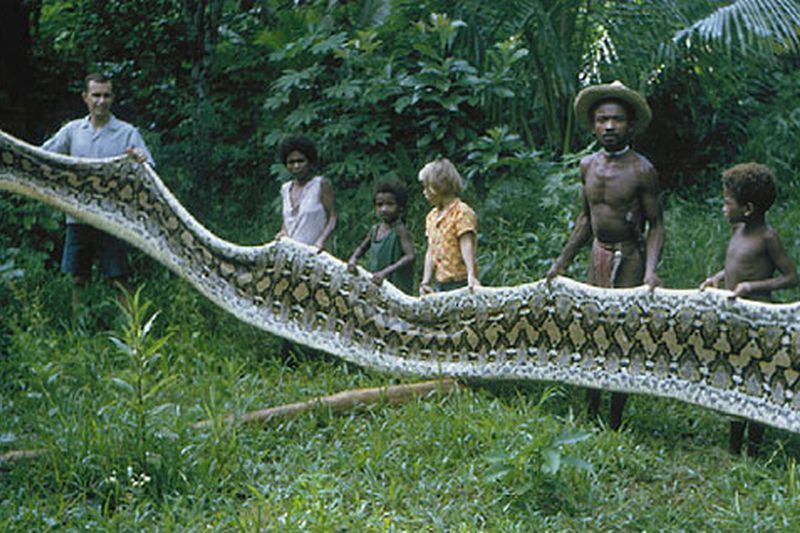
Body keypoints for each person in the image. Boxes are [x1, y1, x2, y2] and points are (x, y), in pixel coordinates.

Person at [546, 80, 665, 430]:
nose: (609, 126)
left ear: (630, 125)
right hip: (598, 255)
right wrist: (562, 261)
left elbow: (656, 225)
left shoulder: (642, 170)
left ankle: (615, 419)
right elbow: (586, 220)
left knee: (621, 334)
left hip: (629, 257)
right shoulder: (587, 166)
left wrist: (650, 271)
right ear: (593, 125)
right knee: (592, 330)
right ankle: (591, 410)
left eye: (617, 119)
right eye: (602, 119)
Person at [699, 162, 798, 456]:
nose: (723, 208)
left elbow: (791, 277)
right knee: (736, 378)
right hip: (737, 318)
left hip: (759, 318)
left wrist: (751, 287)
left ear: (748, 208)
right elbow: (734, 264)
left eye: (728, 203)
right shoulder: (738, 229)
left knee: (757, 379)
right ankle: (733, 447)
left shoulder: (767, 237)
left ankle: (753, 449)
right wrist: (717, 278)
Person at [42, 72, 154, 309]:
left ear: (113, 98)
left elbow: (149, 171)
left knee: (118, 279)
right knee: (77, 279)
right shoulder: (72, 131)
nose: (101, 101)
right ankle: (80, 328)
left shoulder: (127, 133)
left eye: (106, 95)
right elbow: (42, 156)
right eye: (96, 95)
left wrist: (139, 160)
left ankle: (131, 328)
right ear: (85, 97)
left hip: (112, 217)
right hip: (78, 217)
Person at [418, 158, 479, 295]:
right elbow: (431, 251)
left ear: (438, 187)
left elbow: (466, 244)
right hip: (441, 281)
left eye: (427, 188)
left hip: (460, 280)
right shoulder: (432, 217)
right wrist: (425, 281)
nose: (424, 192)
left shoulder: (461, 212)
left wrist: (471, 274)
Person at [347, 180, 415, 294]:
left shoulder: (399, 230)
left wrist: (385, 272)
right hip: (377, 283)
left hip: (396, 287)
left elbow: (410, 256)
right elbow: (362, 248)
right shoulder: (375, 230)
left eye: (390, 204)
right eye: (380, 205)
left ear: (400, 207)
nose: (384, 209)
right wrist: (353, 259)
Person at [275, 136, 336, 251]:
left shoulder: (321, 184)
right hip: (291, 253)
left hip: (315, 252)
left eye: (300, 161)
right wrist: (282, 233)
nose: (296, 166)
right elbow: (287, 223)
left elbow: (332, 218)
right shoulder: (285, 189)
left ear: (309, 162)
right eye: (291, 162)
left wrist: (321, 241)